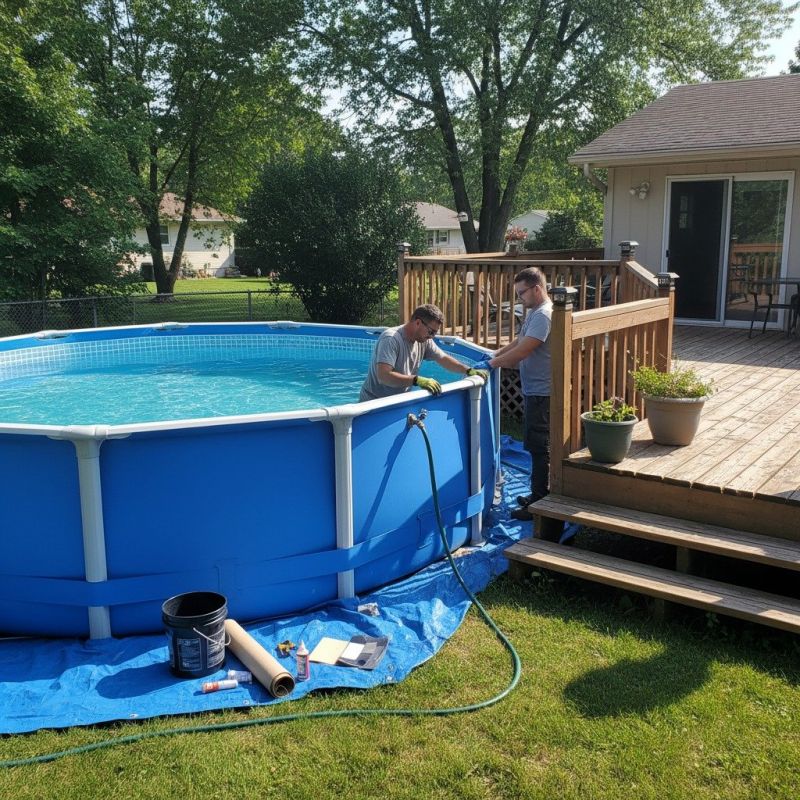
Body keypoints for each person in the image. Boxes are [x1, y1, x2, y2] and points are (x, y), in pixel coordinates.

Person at [479, 267, 552, 521]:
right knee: (534, 445)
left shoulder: (544, 314)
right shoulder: (534, 313)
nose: (520, 298)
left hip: (543, 392)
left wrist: (491, 365)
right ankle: (537, 495)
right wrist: (495, 354)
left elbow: (524, 352)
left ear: (536, 289)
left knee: (539, 447)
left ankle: (540, 503)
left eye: (522, 293)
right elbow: (518, 342)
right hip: (534, 389)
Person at [359, 303, 488, 402]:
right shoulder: (391, 339)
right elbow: (384, 376)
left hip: (397, 401)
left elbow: (442, 358)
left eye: (435, 333)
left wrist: (468, 370)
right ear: (418, 322)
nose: (432, 336)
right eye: (431, 332)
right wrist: (417, 380)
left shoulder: (424, 340)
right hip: (373, 403)